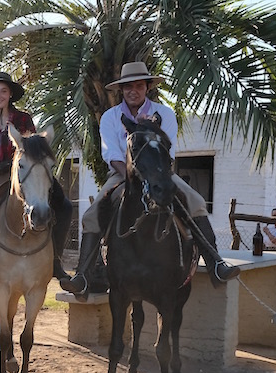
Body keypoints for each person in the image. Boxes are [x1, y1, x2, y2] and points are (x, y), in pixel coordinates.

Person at [61, 61, 240, 298]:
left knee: (195, 202)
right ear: (121, 90)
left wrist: (153, 175)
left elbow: (169, 151)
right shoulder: (109, 117)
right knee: (92, 214)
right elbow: (111, 153)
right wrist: (131, 177)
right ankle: (83, 276)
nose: (133, 90)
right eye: (128, 87)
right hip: (121, 174)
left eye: (138, 85)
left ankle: (216, 262)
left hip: (160, 173)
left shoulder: (164, 114)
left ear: (147, 87)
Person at [0, 72, 72, 283]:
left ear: (10, 94)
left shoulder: (23, 118)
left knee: (65, 206)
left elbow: (36, 148)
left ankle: (55, 261)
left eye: (3, 91)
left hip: (26, 170)